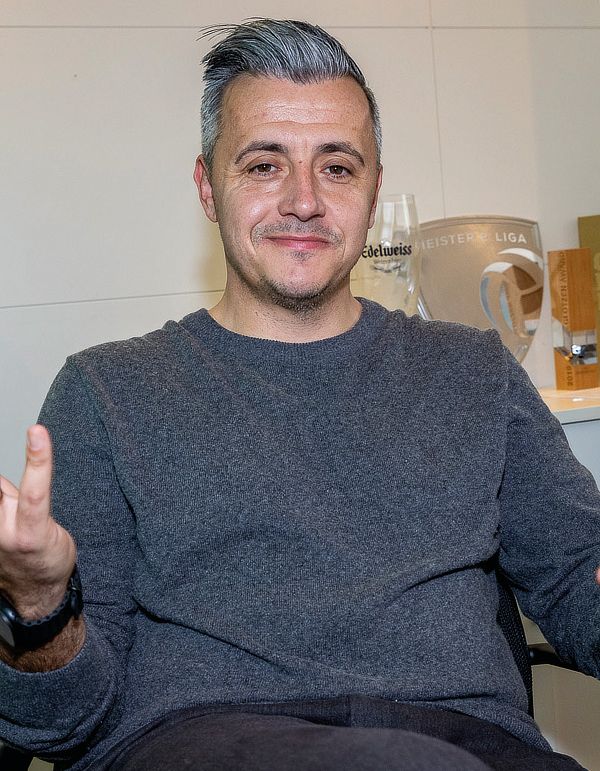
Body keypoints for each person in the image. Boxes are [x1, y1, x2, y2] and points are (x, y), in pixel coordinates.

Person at [0, 18, 598, 771]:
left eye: (337, 167)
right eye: (264, 165)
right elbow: (56, 724)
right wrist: (38, 606)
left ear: (373, 190)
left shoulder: (473, 372)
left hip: (469, 744)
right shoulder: (107, 393)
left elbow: (579, 583)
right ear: (207, 187)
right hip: (202, 743)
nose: (305, 201)